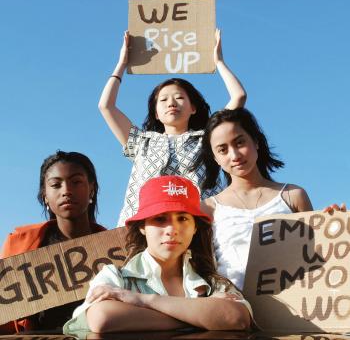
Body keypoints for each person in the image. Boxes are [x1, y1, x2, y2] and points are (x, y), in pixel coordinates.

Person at [63, 176, 253, 335]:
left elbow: (237, 318)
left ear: (195, 227)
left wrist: (141, 300)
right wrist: (202, 314)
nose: (172, 229)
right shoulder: (115, 277)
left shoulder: (212, 283)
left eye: (183, 219)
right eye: (160, 219)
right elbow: (102, 318)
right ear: (142, 227)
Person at [98, 29, 247, 226]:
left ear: (193, 108)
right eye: (164, 100)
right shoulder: (141, 142)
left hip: (197, 227)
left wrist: (219, 61)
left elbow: (238, 96)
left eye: (179, 98)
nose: (172, 103)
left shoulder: (207, 139)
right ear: (156, 114)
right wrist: (122, 64)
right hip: (145, 229)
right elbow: (106, 106)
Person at [193, 108, 315, 290]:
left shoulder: (293, 195)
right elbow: (204, 269)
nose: (234, 155)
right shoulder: (208, 208)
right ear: (215, 158)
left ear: (256, 142)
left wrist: (334, 222)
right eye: (223, 150)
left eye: (240, 142)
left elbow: (316, 253)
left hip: (295, 308)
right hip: (238, 310)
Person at [0, 151, 106, 333]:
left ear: (92, 189)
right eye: (56, 185)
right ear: (45, 196)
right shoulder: (19, 243)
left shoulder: (116, 248)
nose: (66, 191)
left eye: (76, 182)